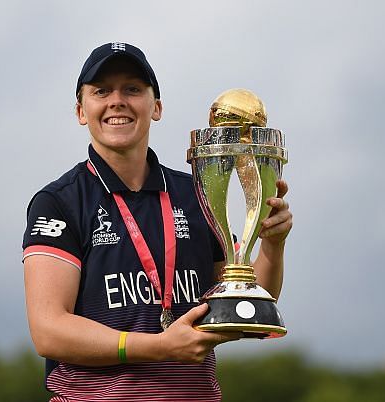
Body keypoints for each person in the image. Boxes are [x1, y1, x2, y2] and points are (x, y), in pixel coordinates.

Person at [22, 42, 293, 401]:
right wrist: (159, 346)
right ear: (81, 111)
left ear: (157, 107)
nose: (117, 100)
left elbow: (248, 303)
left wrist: (272, 244)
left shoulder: (195, 193)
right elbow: (49, 330)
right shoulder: (60, 202)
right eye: (101, 90)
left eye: (133, 89)